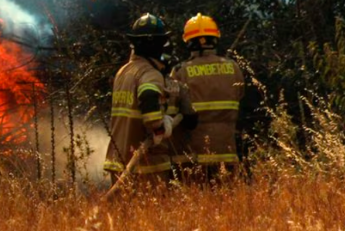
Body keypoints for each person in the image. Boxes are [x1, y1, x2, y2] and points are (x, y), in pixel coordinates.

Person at [103, 13, 196, 185]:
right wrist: (161, 125)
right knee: (152, 211)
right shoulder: (150, 73)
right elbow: (149, 103)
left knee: (121, 211)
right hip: (146, 164)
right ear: (157, 45)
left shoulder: (123, 71)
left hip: (118, 159)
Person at [170, 13, 245, 184]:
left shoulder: (180, 71)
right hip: (227, 153)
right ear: (215, 39)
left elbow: (172, 108)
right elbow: (239, 95)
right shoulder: (233, 67)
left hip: (193, 156)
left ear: (188, 42)